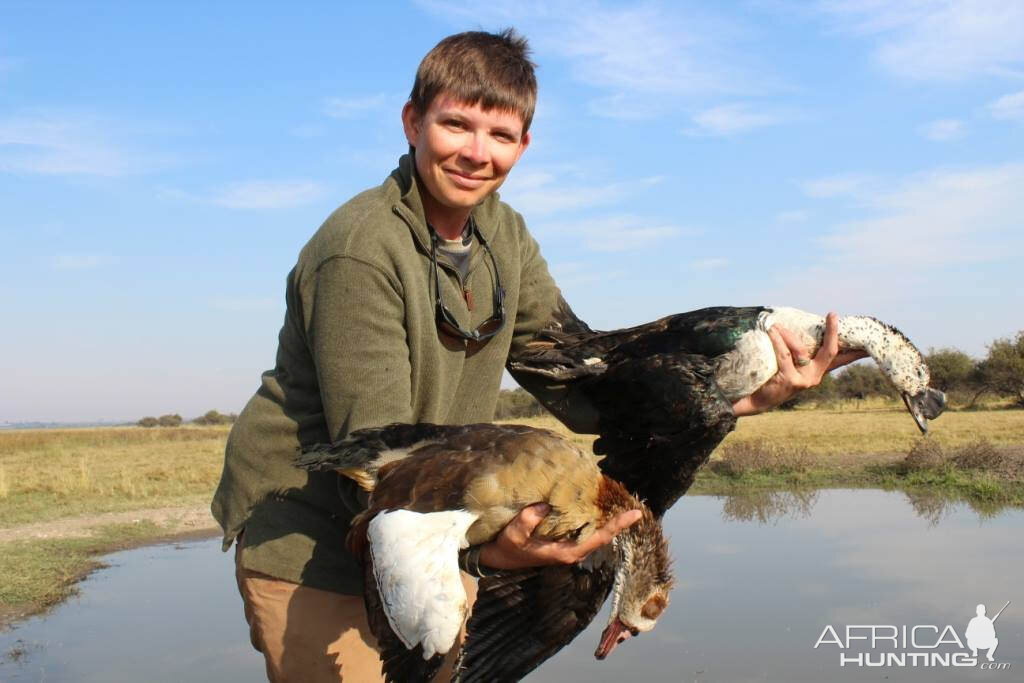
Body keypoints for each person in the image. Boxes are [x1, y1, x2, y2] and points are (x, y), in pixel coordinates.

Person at [211, 29, 859, 682]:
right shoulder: (359, 250)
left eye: (499, 134)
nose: (474, 152)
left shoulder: (503, 235)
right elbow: (379, 465)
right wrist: (497, 554)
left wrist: (727, 397)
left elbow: (577, 376)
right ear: (412, 123)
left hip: (445, 520)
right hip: (324, 541)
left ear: (524, 144)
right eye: (455, 125)